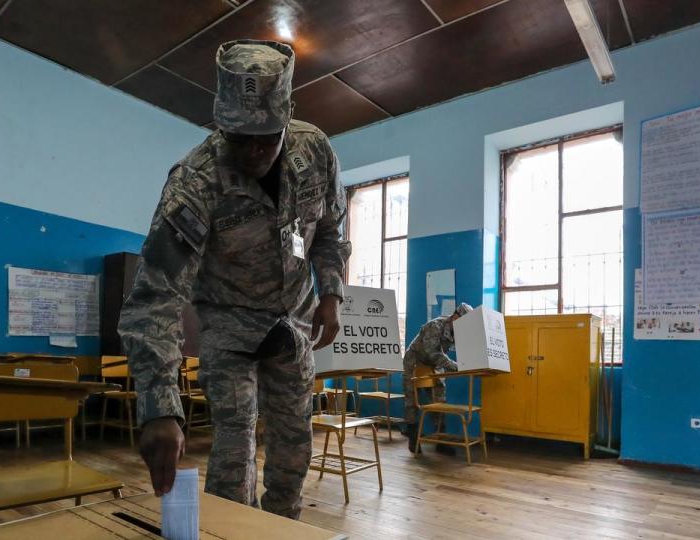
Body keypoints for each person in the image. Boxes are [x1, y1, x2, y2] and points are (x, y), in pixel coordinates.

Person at [118, 39, 351, 520]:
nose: (254, 151)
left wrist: (331, 292)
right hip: (228, 323)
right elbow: (154, 299)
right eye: (238, 138)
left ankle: (282, 528)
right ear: (220, 124)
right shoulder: (195, 183)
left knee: (293, 442)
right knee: (234, 441)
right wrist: (161, 407)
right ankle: (234, 529)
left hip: (295, 319)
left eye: (267, 137)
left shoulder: (316, 152)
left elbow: (330, 229)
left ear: (287, 120)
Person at [402, 302, 474, 455]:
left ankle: (440, 441)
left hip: (434, 363)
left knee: (440, 400)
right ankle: (413, 438)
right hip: (415, 361)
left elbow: (465, 350)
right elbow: (433, 353)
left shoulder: (458, 330)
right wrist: (457, 366)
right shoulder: (435, 326)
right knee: (411, 400)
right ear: (455, 317)